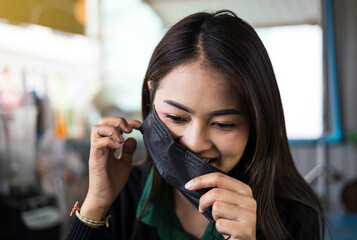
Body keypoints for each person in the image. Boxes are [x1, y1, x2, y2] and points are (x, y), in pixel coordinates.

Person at [66, 10, 326, 240]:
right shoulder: (121, 192)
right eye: (177, 118)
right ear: (151, 98)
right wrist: (96, 204)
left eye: (223, 124)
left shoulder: (294, 214)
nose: (195, 142)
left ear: (257, 122)